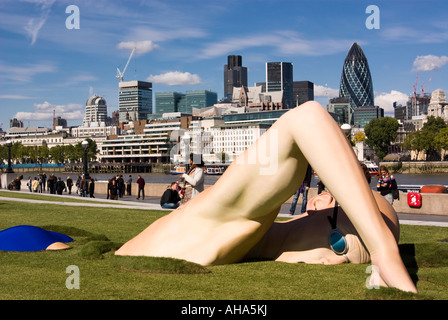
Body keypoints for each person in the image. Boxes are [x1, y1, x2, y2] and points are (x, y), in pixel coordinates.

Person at [115, 101, 417, 293]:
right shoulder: (238, 215)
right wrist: (384, 253)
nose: (330, 263)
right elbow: (307, 117)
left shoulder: (242, 230)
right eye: (338, 242)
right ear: (318, 202)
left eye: (350, 260)